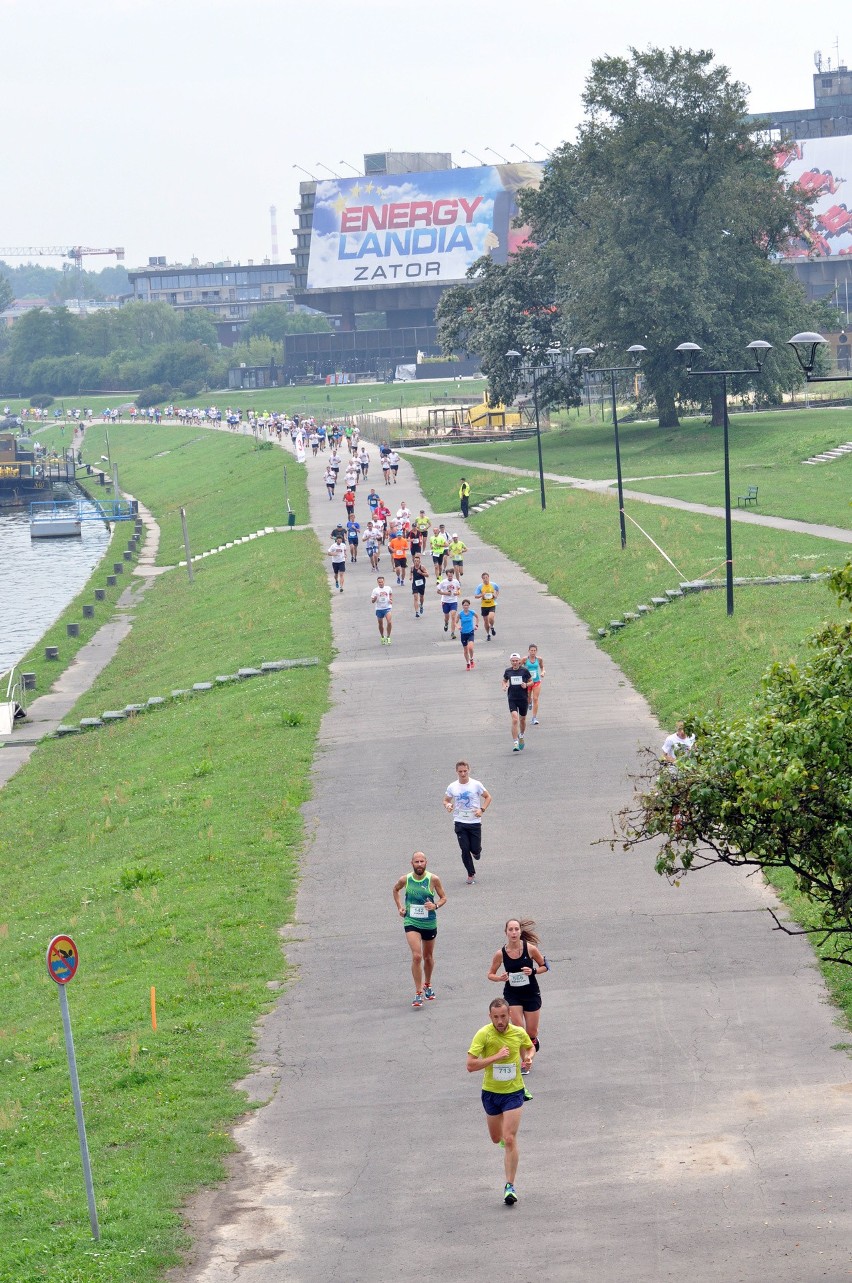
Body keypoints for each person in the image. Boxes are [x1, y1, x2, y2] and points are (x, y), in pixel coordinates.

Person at [467, 998, 534, 1206]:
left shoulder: (518, 1032)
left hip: (514, 1091)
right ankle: (505, 1140)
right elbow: (470, 1065)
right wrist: (495, 1057)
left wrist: (529, 1057)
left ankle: (509, 1186)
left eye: (503, 1016)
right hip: (491, 1093)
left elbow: (529, 1047)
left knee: (510, 1138)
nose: (500, 1021)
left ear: (509, 1016)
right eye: (496, 1017)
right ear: (490, 1017)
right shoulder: (483, 1034)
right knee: (497, 1138)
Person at [488, 919, 548, 1062]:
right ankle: (525, 1061)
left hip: (531, 993)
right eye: (511, 930)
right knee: (519, 1029)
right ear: (506, 932)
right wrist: (500, 978)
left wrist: (533, 971)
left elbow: (544, 966)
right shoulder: (500, 954)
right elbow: (490, 974)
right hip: (512, 994)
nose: (514, 932)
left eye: (516, 929)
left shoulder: (530, 949)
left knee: (530, 1032)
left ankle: (533, 1039)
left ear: (520, 931)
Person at [392, 851, 447, 1007]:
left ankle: (427, 985)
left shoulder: (433, 879)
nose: (419, 864)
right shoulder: (406, 879)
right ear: (412, 864)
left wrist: (435, 905)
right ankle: (418, 993)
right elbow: (395, 890)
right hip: (411, 921)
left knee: (428, 957)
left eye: (422, 861)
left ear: (426, 863)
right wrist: (400, 908)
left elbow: (444, 897)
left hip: (429, 922)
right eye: (416, 862)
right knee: (417, 956)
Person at [444, 760, 491, 884]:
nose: (463, 774)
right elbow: (446, 800)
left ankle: (476, 852)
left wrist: (482, 809)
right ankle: (471, 873)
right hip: (460, 821)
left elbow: (488, 797)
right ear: (456, 772)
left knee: (474, 848)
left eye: (465, 771)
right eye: (460, 772)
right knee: (464, 849)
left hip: (474, 821)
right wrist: (448, 805)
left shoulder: (476, 784)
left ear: (468, 770)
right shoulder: (452, 786)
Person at [502, 653, 532, 751]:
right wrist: (504, 686)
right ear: (510, 661)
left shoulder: (524, 671)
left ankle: (521, 735)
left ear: (519, 661)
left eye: (516, 661)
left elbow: (532, 681)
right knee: (515, 719)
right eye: (513, 661)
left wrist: (526, 684)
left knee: (522, 720)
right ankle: (515, 743)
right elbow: (504, 680)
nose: (515, 663)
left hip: (523, 698)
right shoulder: (508, 671)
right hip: (512, 698)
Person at [437, 565, 461, 638]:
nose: (450, 577)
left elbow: (459, 590)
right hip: (445, 601)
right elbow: (438, 591)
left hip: (453, 601)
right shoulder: (443, 582)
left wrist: (457, 593)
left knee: (453, 616)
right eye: (449, 575)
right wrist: (445, 593)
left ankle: (452, 633)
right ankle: (446, 623)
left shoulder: (456, 581)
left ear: (453, 575)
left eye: (451, 575)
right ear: (447, 575)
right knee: (447, 616)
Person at [524, 645, 545, 725]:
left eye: (534, 650)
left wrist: (543, 672)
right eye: (531, 650)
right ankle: (529, 702)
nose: (533, 652)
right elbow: (518, 667)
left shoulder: (539, 659)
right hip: (528, 682)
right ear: (528, 651)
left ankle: (534, 718)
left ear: (536, 651)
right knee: (528, 698)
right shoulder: (525, 659)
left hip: (536, 681)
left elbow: (542, 667)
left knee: (535, 698)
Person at [475, 573, 499, 639]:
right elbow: (475, 596)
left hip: (492, 604)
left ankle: (492, 626)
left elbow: (497, 589)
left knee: (490, 618)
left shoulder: (493, 584)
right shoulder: (480, 586)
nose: (485, 579)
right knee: (486, 621)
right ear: (482, 579)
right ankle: (488, 634)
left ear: (488, 577)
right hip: (484, 606)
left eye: (486, 577)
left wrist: (495, 596)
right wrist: (481, 595)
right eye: (484, 578)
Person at [371, 575, 393, 644]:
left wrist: (391, 599)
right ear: (377, 582)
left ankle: (388, 637)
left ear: (384, 581)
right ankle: (382, 636)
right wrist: (374, 598)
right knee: (380, 623)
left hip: (387, 607)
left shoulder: (388, 588)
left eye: (382, 582)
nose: (381, 583)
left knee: (389, 622)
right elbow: (372, 601)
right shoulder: (375, 590)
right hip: (379, 608)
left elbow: (390, 593)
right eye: (379, 582)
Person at [458, 598, 478, 670]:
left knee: (470, 647)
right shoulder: (460, 614)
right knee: (465, 650)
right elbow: (455, 622)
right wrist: (458, 626)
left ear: (469, 605)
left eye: (467, 605)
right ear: (462, 606)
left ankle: (471, 659)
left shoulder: (472, 612)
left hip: (470, 632)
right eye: (464, 605)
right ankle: (468, 663)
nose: (465, 606)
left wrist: (476, 625)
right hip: (463, 633)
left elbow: (477, 617)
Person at [410, 553, 429, 618]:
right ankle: (416, 612)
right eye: (415, 561)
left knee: (421, 597)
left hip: (421, 584)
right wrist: (410, 577)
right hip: (415, 584)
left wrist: (421, 573)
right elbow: (411, 572)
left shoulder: (422, 567)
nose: (416, 562)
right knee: (415, 597)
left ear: (419, 561)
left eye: (417, 561)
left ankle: (421, 605)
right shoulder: (412, 567)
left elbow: (427, 575)